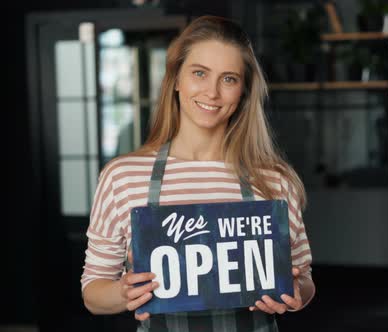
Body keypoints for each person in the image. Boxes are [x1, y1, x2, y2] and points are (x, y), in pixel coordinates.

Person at [81, 15, 315, 331]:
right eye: (199, 73)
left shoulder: (275, 180)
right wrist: (123, 292)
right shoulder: (123, 177)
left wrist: (296, 294)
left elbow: (305, 279)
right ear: (176, 79)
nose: (213, 92)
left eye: (229, 79)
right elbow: (94, 291)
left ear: (244, 92)